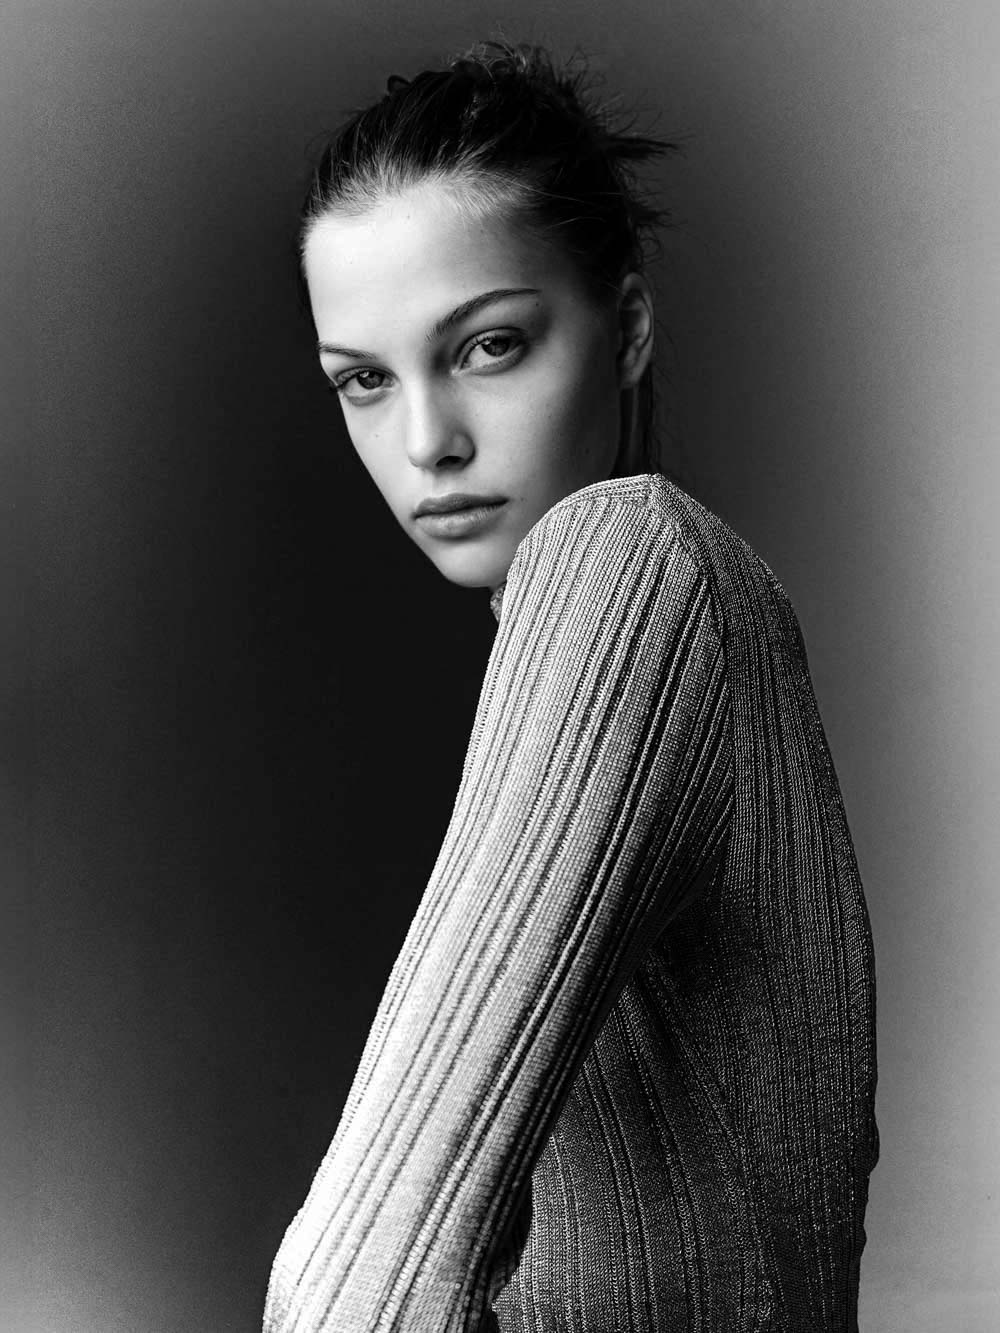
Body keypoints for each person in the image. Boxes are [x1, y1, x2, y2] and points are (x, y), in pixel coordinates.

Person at [263, 39, 879, 1333]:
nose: (426, 440)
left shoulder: (629, 562)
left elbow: (361, 1288)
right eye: (364, 380)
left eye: (489, 345)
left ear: (629, 327)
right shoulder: (686, 613)